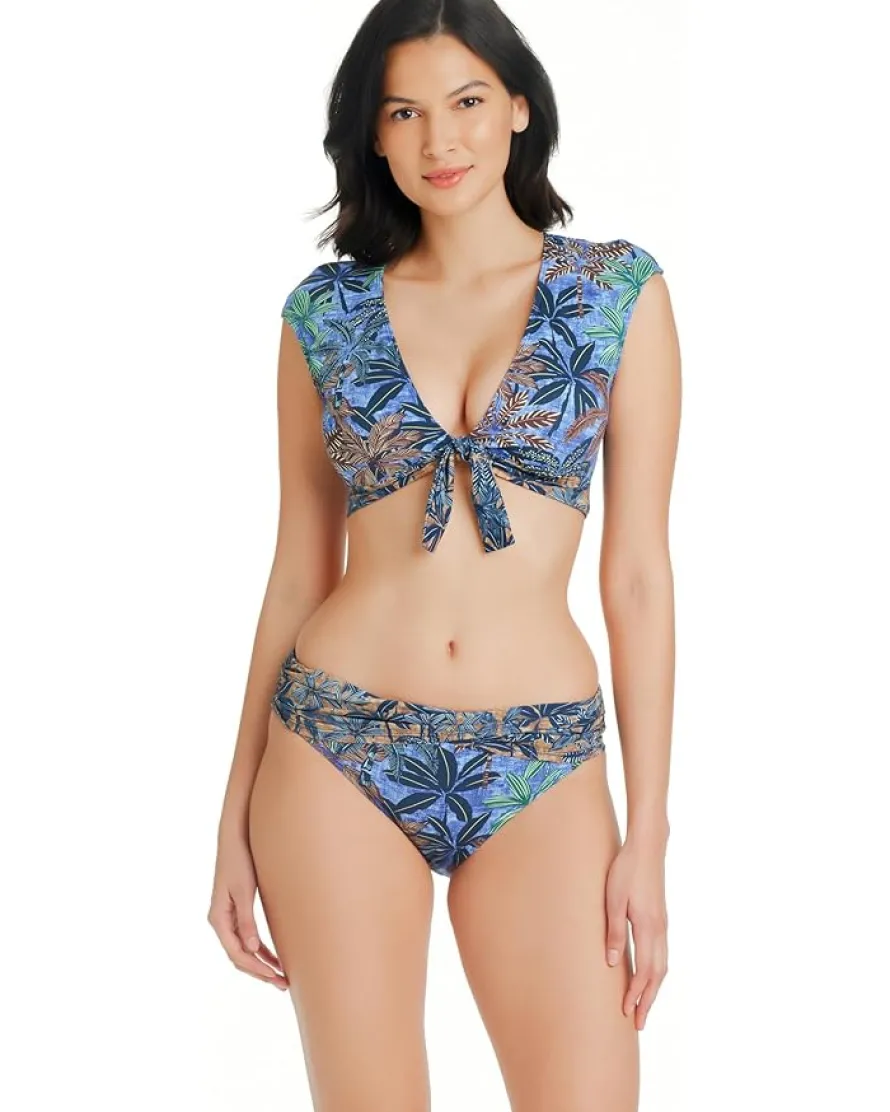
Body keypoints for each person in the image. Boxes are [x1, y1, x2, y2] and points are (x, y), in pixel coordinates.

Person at [208, 0, 681, 1108]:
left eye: (466, 101)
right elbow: (296, 570)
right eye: (403, 112)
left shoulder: (616, 292)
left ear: (518, 106)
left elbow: (638, 577)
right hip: (334, 747)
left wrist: (649, 835)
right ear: (371, 135)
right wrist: (232, 815)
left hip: (541, 757)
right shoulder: (325, 313)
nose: (439, 140)